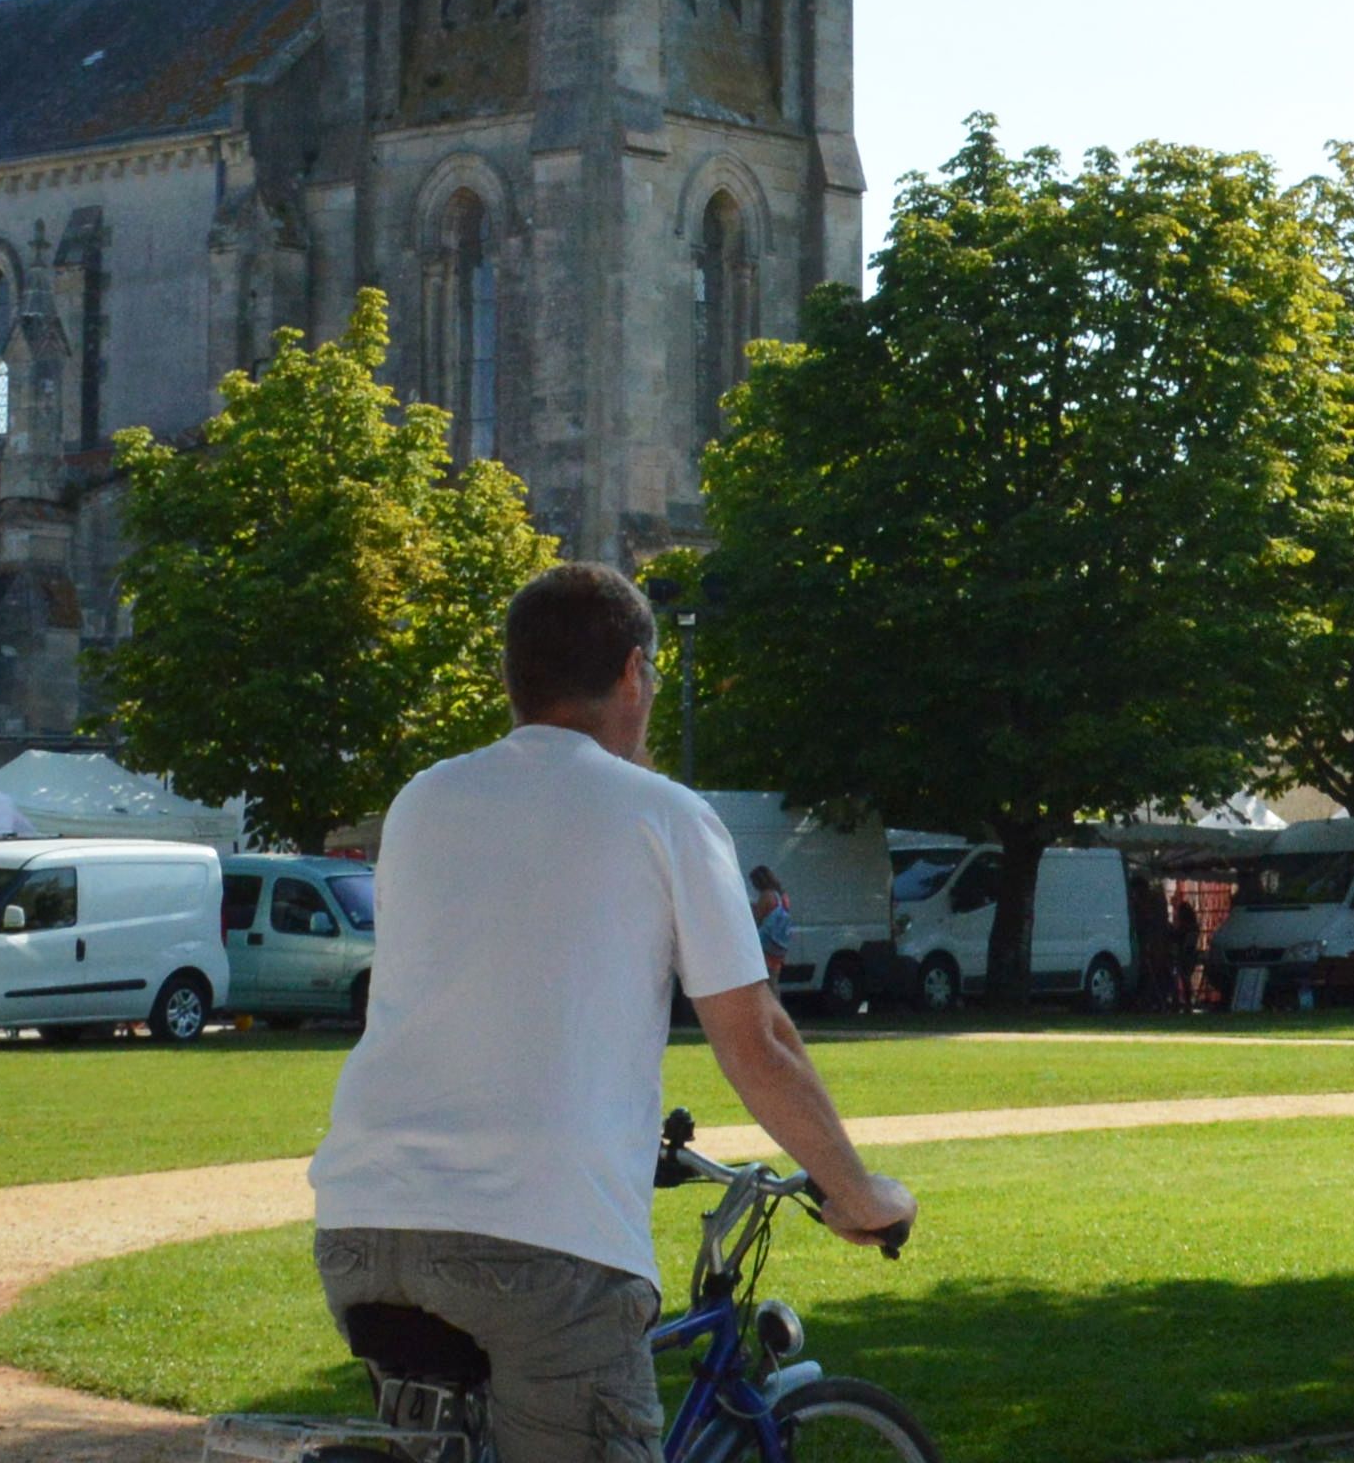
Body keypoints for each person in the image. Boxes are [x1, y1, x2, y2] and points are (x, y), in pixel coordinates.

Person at [312, 565, 913, 1463]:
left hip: (366, 1229)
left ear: (516, 677)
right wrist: (860, 1195)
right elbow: (758, 1043)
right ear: (633, 673)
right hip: (542, 1238)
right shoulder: (664, 813)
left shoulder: (423, 801)